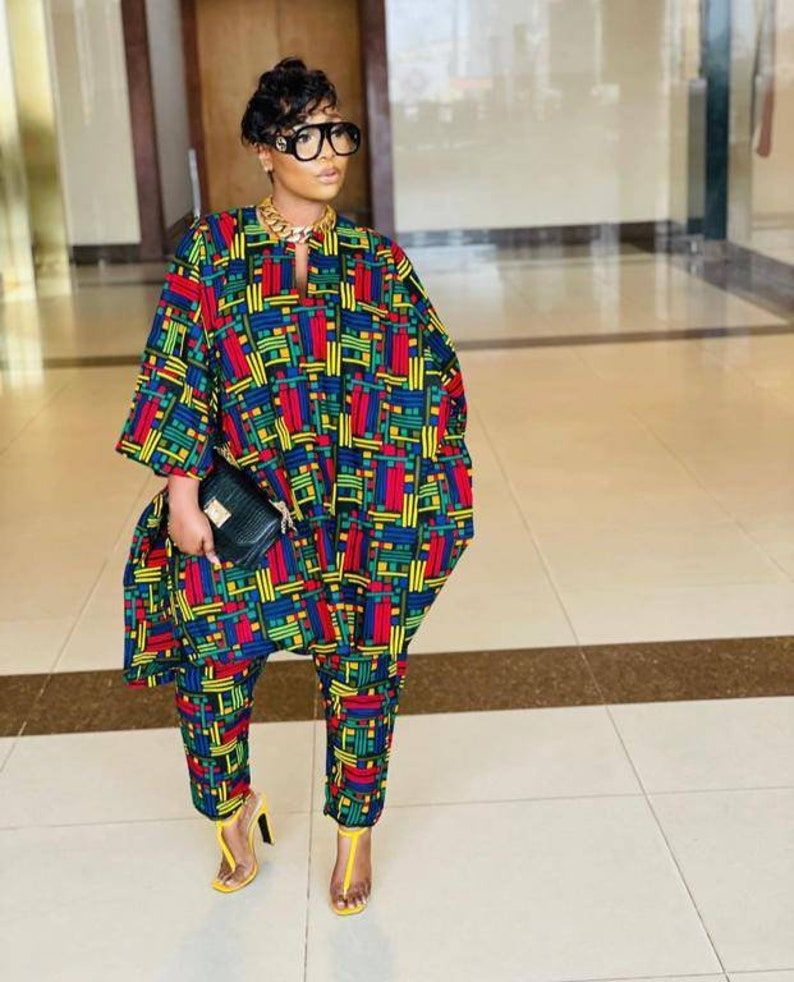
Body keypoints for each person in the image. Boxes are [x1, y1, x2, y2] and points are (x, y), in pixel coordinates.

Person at [115, 56, 474, 915]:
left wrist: (411, 490)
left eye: (336, 132)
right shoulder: (214, 250)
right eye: (303, 137)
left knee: (364, 666)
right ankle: (232, 810)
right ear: (263, 150)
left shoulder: (377, 262)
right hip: (244, 505)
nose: (329, 153)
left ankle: (354, 833)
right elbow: (179, 370)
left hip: (356, 511)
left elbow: (436, 379)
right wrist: (180, 492)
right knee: (211, 664)